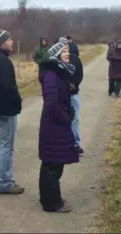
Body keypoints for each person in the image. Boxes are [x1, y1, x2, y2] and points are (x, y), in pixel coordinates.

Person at [38, 42, 79, 213]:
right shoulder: (51, 75)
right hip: (54, 125)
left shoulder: (58, 72)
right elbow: (51, 104)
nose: (68, 54)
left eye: (68, 51)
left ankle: (48, 198)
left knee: (52, 163)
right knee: (53, 165)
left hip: (56, 124)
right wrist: (65, 117)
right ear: (55, 55)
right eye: (64, 52)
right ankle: (52, 203)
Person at [0, 29, 24, 195]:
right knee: (6, 146)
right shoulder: (4, 62)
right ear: (1, 43)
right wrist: (18, 101)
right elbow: (9, 87)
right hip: (5, 110)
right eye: (8, 40)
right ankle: (5, 182)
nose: (11, 42)